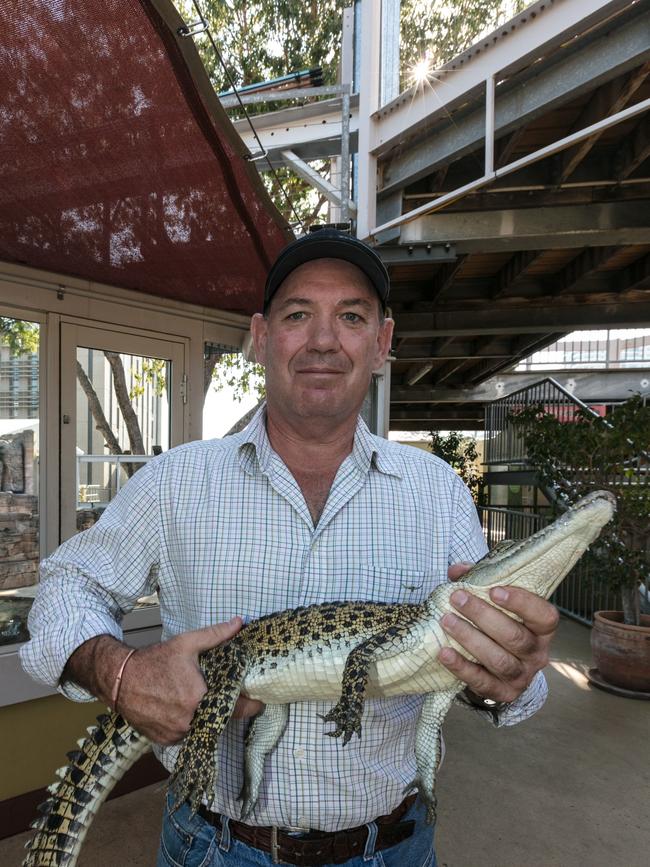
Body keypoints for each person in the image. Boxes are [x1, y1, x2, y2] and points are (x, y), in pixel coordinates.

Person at [21, 229, 559, 867]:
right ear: (260, 336)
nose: (324, 340)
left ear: (382, 343)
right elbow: (65, 583)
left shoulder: (438, 490)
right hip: (213, 846)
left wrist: (505, 670)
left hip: (391, 848)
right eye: (298, 314)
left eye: (351, 317)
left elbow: (491, 677)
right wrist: (121, 671)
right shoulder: (173, 481)